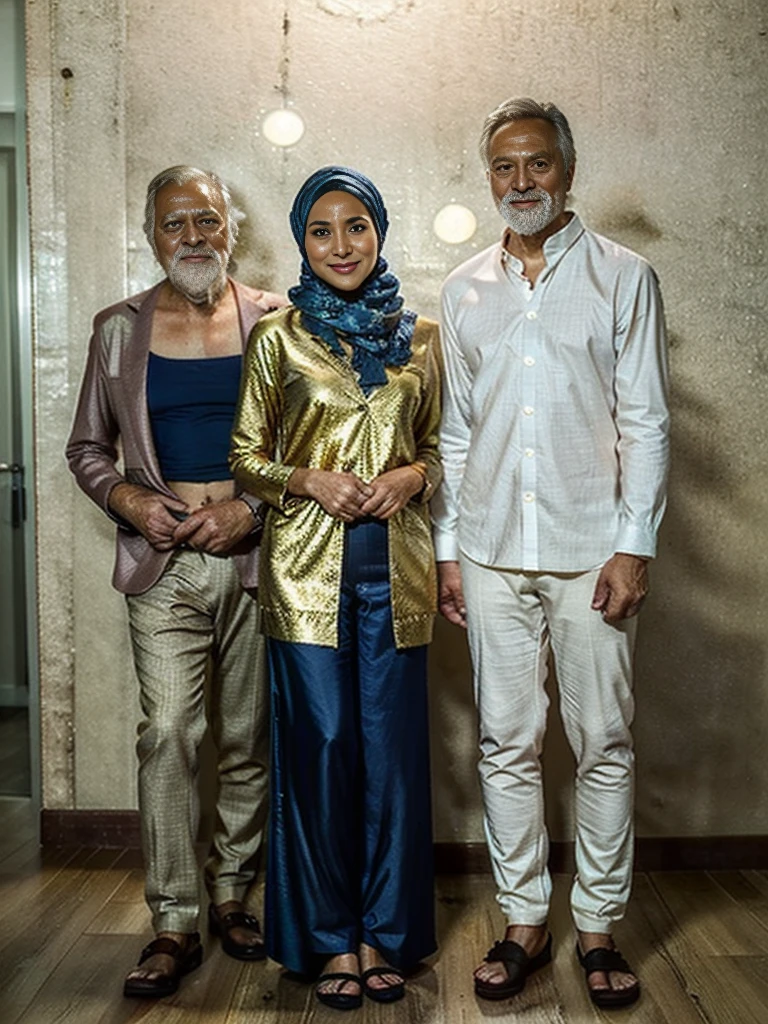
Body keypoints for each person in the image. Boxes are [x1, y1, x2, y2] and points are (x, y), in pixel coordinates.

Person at [432, 98, 669, 1009]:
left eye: (537, 165)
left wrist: (633, 545)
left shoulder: (625, 277)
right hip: (489, 549)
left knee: (603, 741)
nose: (520, 182)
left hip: (591, 550)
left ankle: (599, 928)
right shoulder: (463, 291)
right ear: (488, 176)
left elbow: (645, 420)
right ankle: (525, 918)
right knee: (505, 741)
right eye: (504, 167)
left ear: (567, 171)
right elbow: (455, 432)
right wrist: (451, 552)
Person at [66, 165, 285, 998]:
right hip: (161, 568)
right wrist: (128, 497)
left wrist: (253, 510)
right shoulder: (117, 329)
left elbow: (310, 440)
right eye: (172, 224)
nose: (191, 236)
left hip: (258, 562)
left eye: (205, 219)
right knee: (170, 733)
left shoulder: (279, 320)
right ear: (150, 233)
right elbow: (88, 448)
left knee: (246, 736)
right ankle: (173, 919)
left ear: (231, 226)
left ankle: (235, 895)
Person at [230, 166, 440, 1010]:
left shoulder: (421, 338)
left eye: (356, 226)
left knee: (389, 759)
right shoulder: (277, 338)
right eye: (322, 230)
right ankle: (324, 940)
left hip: (399, 578)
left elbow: (443, 446)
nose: (341, 244)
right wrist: (308, 480)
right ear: (302, 242)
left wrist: (415, 477)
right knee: (319, 754)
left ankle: (381, 936)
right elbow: (244, 458)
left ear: (379, 232)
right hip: (304, 578)